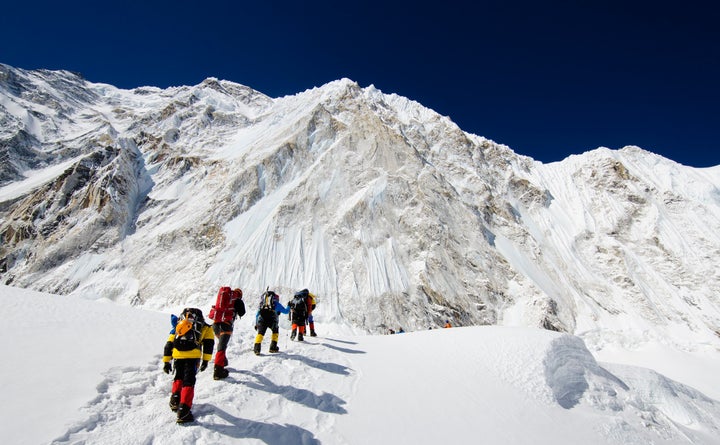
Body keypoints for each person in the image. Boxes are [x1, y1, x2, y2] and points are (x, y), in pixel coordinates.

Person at [162, 307, 214, 424]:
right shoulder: (205, 327)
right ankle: (184, 410)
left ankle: (175, 400)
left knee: (178, 376)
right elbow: (209, 345)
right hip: (193, 356)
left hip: (177, 355)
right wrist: (206, 361)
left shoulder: (178, 325)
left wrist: (166, 361)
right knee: (188, 381)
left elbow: (169, 344)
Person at [209, 287, 246, 380]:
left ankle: (223, 361)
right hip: (226, 325)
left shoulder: (225, 298)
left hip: (215, 324)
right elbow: (242, 312)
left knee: (221, 344)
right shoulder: (237, 300)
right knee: (222, 346)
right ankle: (218, 370)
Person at [254, 289, 288, 355]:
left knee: (260, 333)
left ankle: (257, 349)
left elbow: (257, 315)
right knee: (275, 332)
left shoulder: (262, 304)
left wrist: (256, 324)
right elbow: (286, 311)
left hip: (262, 320)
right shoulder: (276, 304)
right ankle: (273, 347)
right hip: (272, 321)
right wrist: (289, 306)